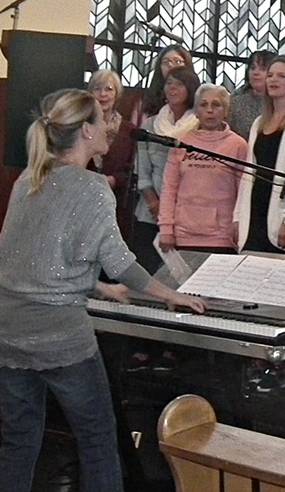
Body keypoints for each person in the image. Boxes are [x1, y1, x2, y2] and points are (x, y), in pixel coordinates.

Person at [0, 89, 205, 492]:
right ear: (87, 131)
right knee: (97, 436)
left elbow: (29, 259)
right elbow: (121, 262)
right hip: (59, 335)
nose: (112, 125)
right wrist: (170, 294)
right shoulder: (92, 187)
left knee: (19, 440)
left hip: (8, 331)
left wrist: (97, 288)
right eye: (104, 119)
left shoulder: (30, 178)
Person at [159, 84, 248, 254]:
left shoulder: (238, 145)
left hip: (222, 238)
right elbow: (169, 189)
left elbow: (243, 193)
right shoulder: (181, 142)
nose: (209, 110)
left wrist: (239, 226)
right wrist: (166, 229)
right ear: (196, 111)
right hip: (182, 235)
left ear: (226, 111)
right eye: (203, 105)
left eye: (216, 105)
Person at [234, 55, 285, 256]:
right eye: (271, 75)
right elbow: (248, 172)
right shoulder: (260, 122)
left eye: (281, 76)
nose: (273, 80)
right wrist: (237, 217)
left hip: (279, 213)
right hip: (255, 209)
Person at [131, 66, 200, 274]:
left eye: (179, 83)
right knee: (148, 271)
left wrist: (171, 210)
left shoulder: (199, 126)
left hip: (186, 213)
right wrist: (155, 204)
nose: (172, 88)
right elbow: (142, 172)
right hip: (151, 211)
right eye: (169, 83)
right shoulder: (150, 126)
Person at [87, 69, 137, 238]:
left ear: (117, 94)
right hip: (84, 201)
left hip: (117, 206)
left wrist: (114, 180)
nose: (103, 94)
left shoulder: (129, 130)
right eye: (97, 88)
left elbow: (132, 169)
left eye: (108, 89)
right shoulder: (82, 127)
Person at [133, 44, 192, 125]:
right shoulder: (146, 102)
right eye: (165, 62)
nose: (170, 65)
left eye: (177, 61)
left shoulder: (197, 99)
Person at [228, 49, 276, 139]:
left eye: (262, 69)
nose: (256, 73)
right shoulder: (235, 101)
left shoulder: (279, 102)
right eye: (252, 68)